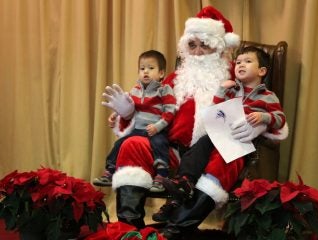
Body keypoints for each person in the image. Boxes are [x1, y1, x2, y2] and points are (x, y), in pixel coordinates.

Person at [101, 6, 288, 239]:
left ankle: (174, 230)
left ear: (219, 47)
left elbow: (268, 110)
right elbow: (149, 108)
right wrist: (127, 113)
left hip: (214, 151)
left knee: (230, 155)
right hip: (171, 151)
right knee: (132, 145)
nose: (198, 52)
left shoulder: (237, 76)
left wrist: (258, 124)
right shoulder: (172, 80)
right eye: (192, 45)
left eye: (205, 44)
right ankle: (130, 229)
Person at [157, 45, 287, 209]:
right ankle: (184, 181)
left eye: (247, 61)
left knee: (213, 160)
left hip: (241, 142)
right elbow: (216, 110)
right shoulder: (232, 91)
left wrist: (264, 117)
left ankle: (184, 200)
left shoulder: (268, 96)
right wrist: (220, 90)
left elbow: (280, 119)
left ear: (261, 71)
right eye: (238, 62)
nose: (240, 64)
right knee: (200, 145)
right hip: (220, 135)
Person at [94, 50, 176, 193]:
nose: (146, 72)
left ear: (161, 73)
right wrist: (116, 115)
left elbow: (170, 111)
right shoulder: (135, 90)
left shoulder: (164, 90)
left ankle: (162, 176)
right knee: (120, 143)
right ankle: (110, 171)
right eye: (142, 68)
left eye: (151, 68)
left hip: (156, 130)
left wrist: (158, 127)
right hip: (137, 129)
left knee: (159, 144)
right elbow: (128, 108)